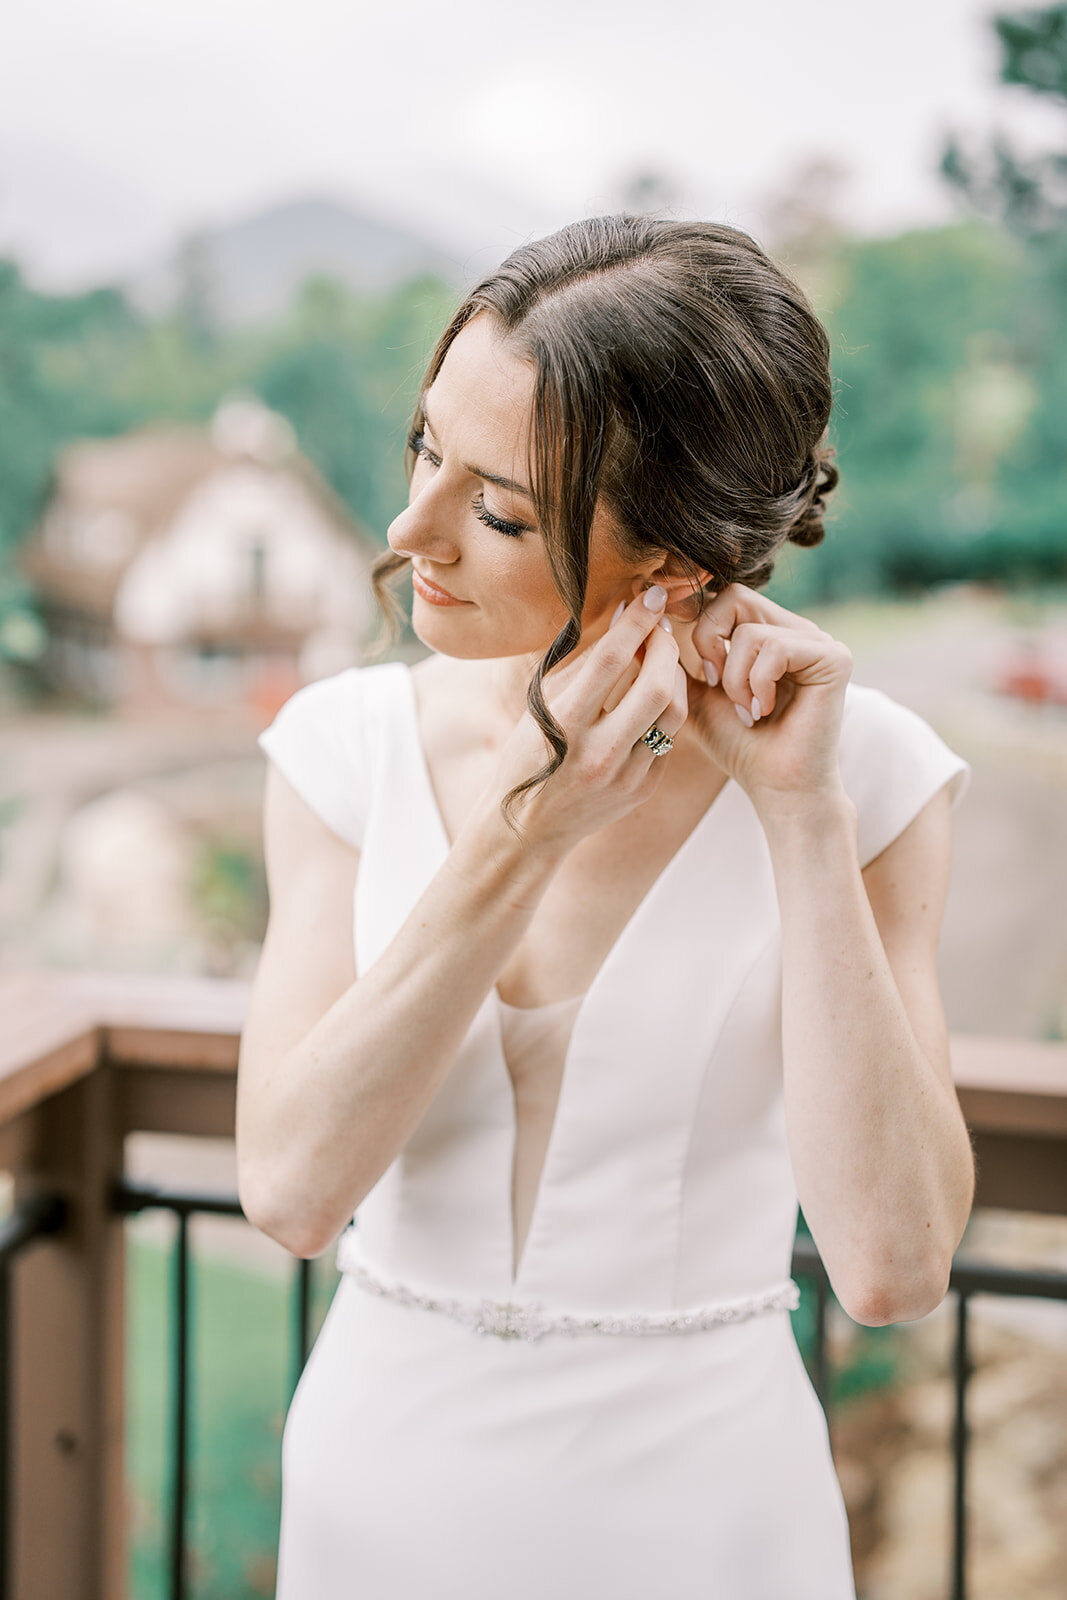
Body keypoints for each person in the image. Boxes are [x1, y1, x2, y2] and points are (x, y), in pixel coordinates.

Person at [237, 214, 975, 1599]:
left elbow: (889, 1265)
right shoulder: (344, 749)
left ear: (678, 559)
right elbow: (288, 1190)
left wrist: (803, 823)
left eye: (499, 509)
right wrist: (523, 833)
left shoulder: (866, 777)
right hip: (379, 1501)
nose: (410, 531)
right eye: (422, 448)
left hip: (706, 1524)